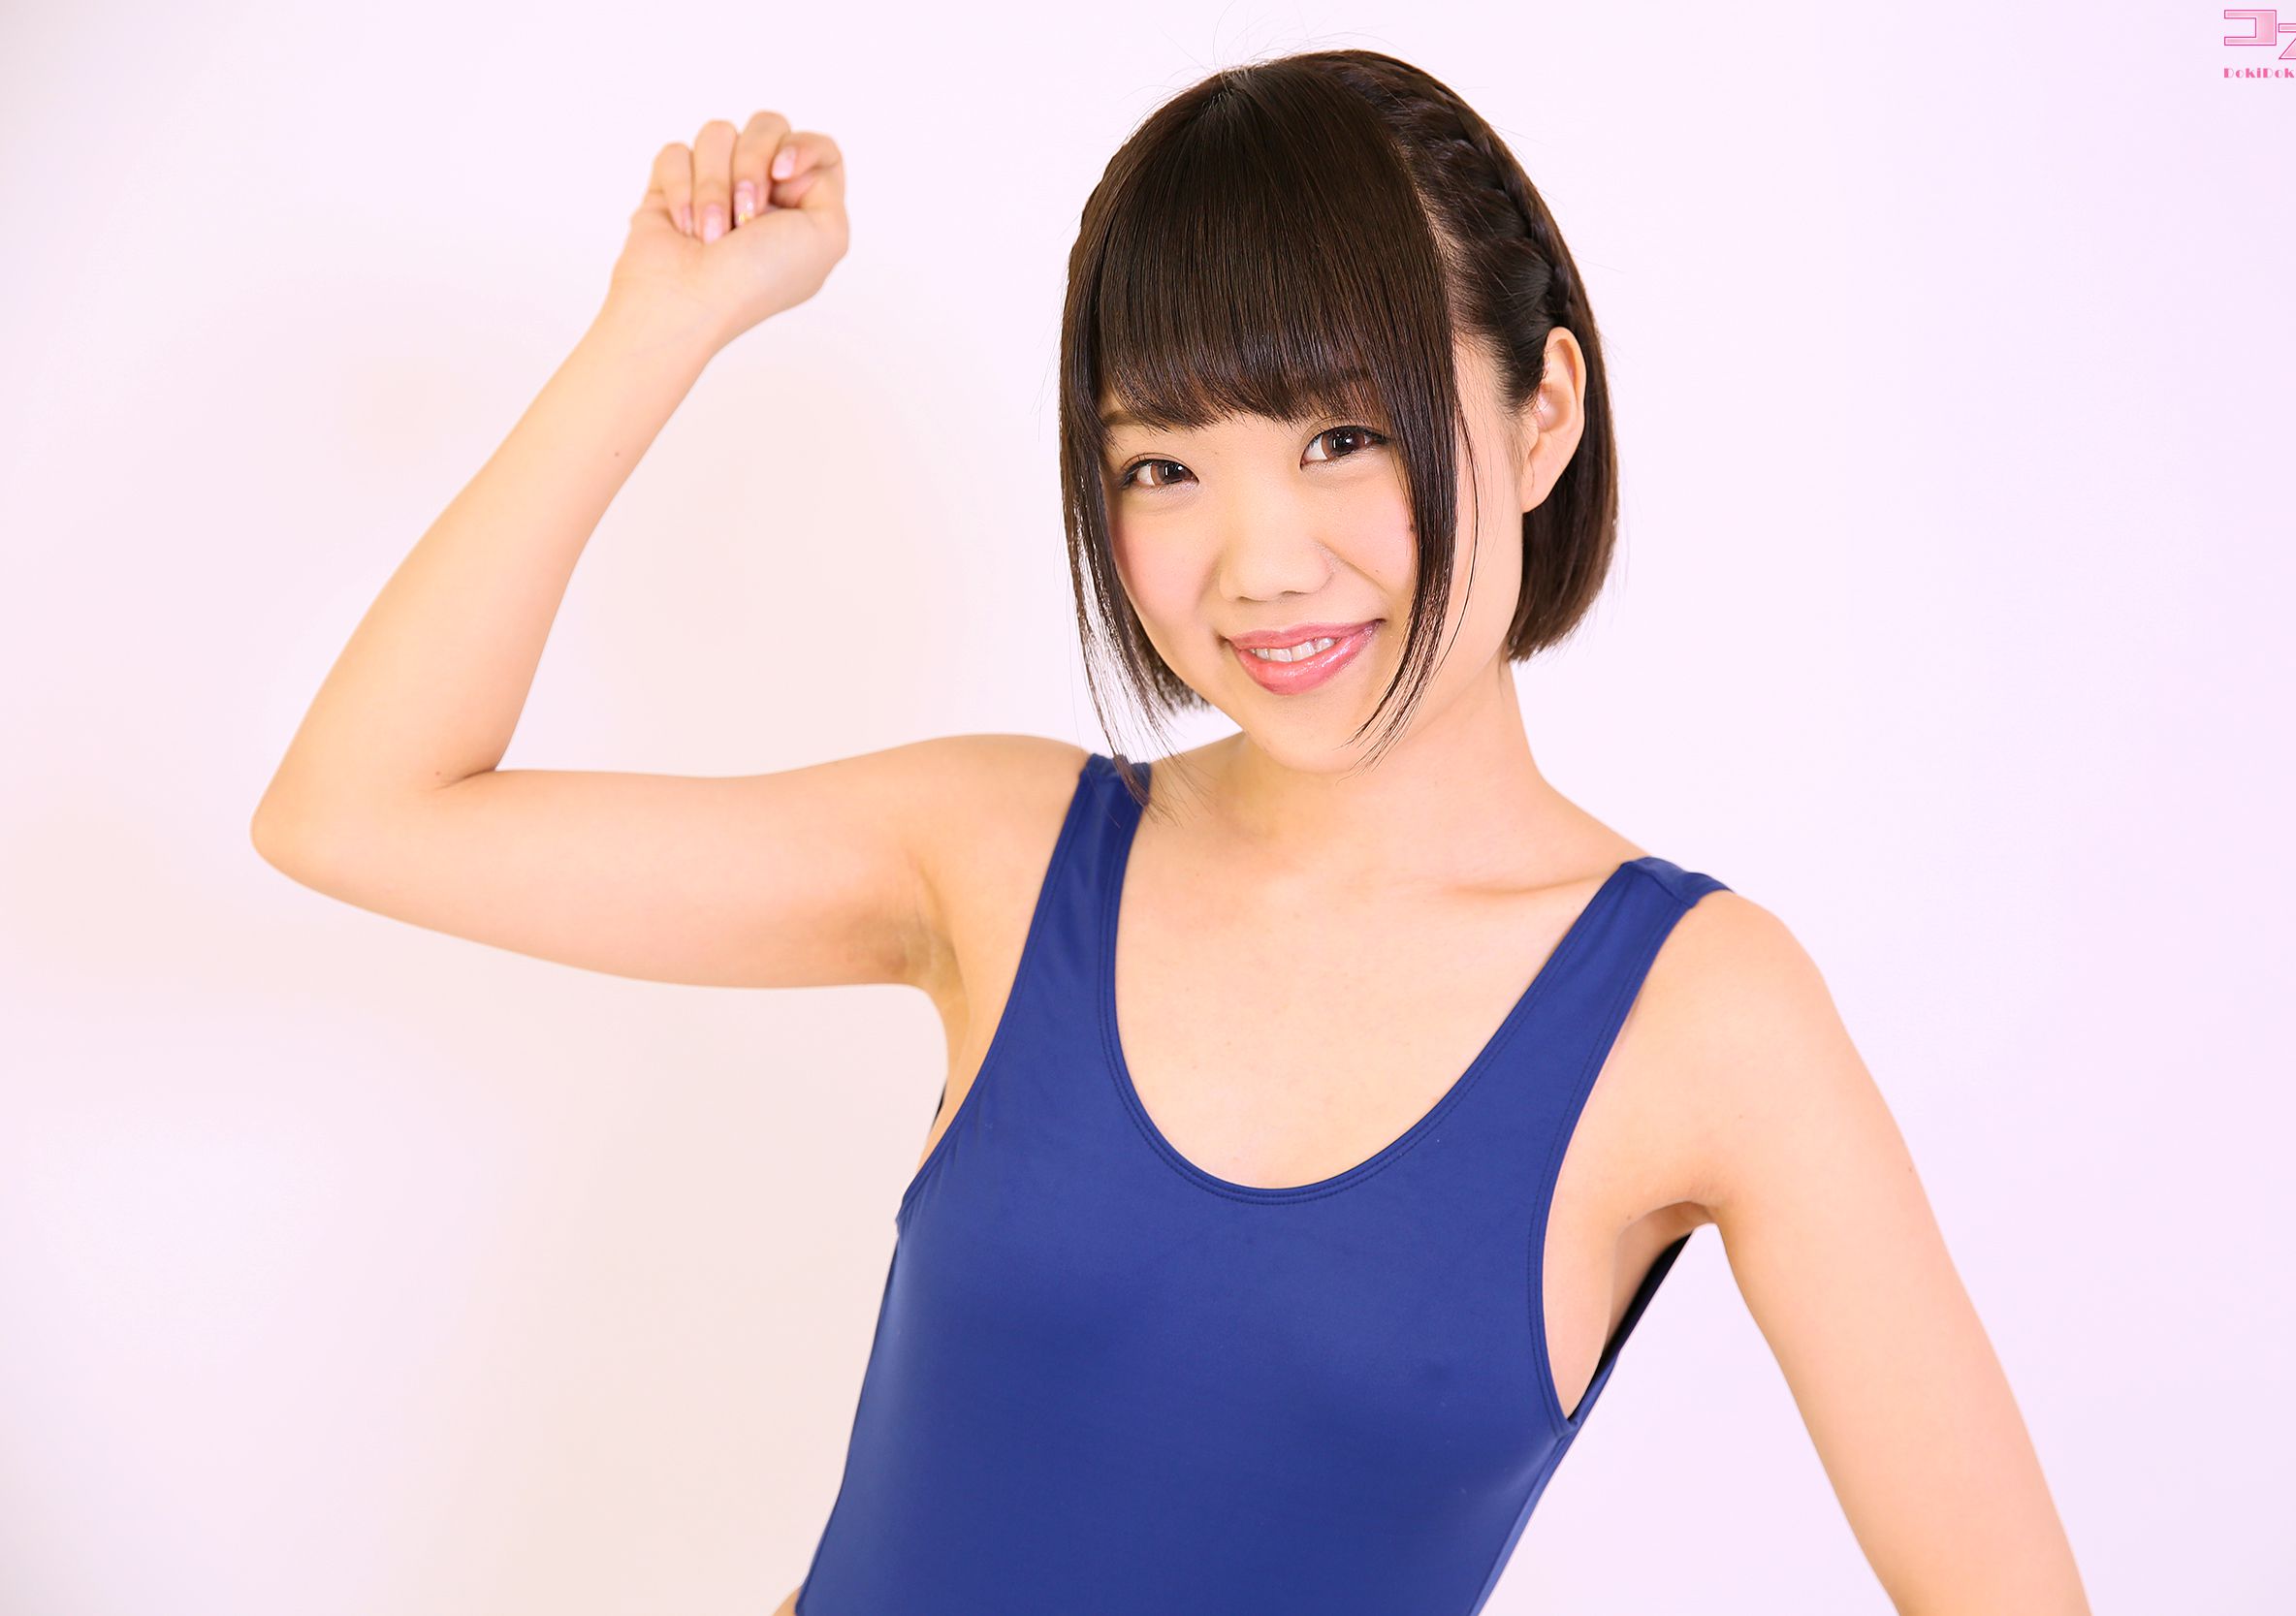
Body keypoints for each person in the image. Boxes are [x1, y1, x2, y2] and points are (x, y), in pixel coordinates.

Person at [252, 48, 2090, 1616]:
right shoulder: (1003, 856)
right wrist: (661, 325)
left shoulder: (1701, 1015)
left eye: (1342, 436)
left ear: (1541, 412)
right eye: (1164, 466)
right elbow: (359, 811)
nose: (1259, 562)